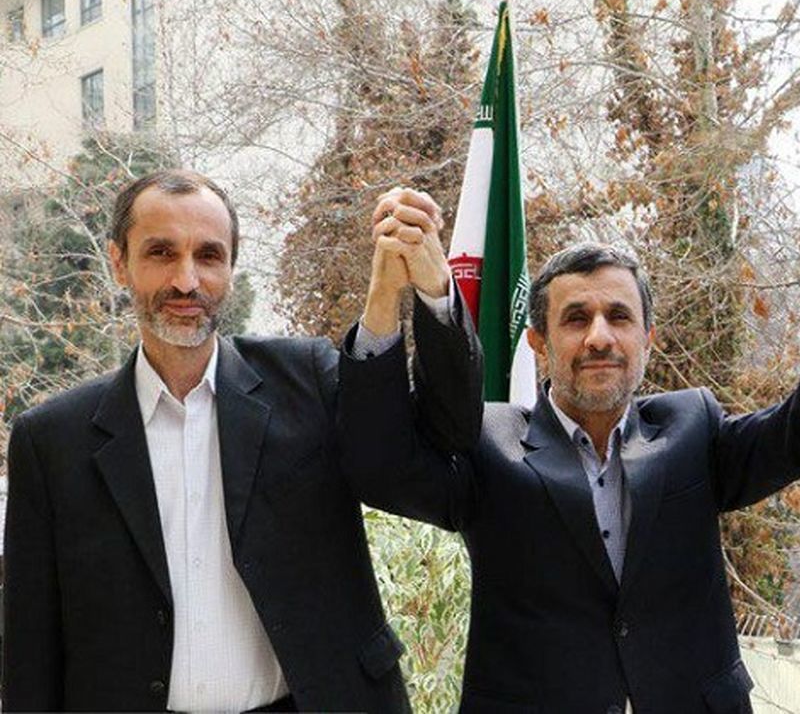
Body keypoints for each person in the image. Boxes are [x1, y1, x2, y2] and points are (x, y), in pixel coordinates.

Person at [1, 170, 481, 712]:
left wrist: (429, 290)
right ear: (119, 262)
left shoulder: (305, 382)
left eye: (208, 255)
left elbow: (434, 443)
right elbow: (30, 652)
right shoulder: (52, 441)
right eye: (161, 253)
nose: (187, 281)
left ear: (230, 266)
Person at [340, 238, 800, 712]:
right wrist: (392, 297)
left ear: (647, 338)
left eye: (618, 316)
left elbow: (799, 434)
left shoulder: (692, 430)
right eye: (575, 319)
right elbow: (382, 467)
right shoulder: (490, 444)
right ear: (538, 343)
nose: (598, 337)